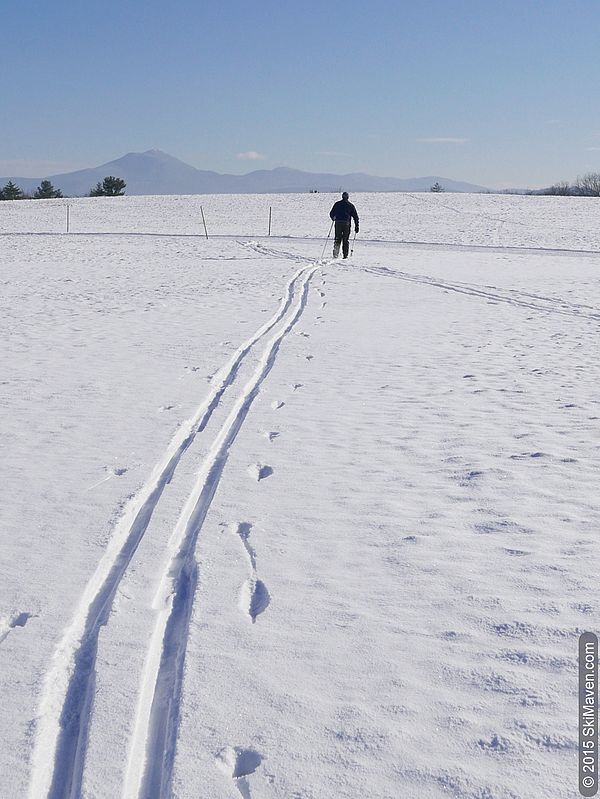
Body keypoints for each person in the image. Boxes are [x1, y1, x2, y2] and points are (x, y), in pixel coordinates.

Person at [329, 191, 359, 259]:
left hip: (338, 223)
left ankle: (336, 254)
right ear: (348, 197)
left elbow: (331, 213)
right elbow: (355, 216)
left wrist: (333, 218)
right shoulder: (350, 205)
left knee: (337, 238)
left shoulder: (337, 204)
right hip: (346, 224)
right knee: (345, 239)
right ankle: (345, 255)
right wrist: (357, 226)